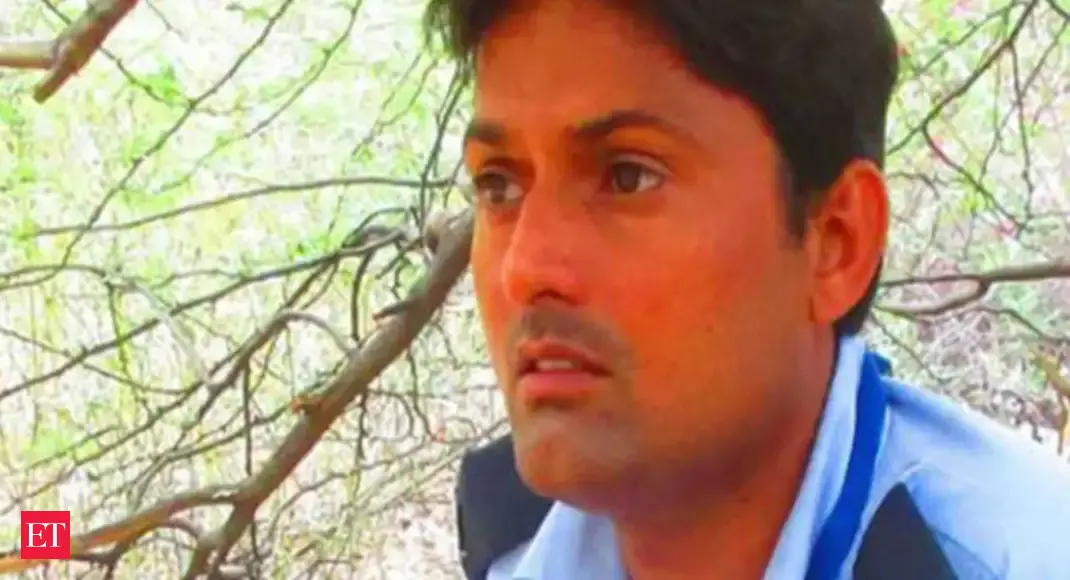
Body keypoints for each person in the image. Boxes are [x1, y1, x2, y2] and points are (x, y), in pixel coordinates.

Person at [422, 0, 1070, 578]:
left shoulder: (1017, 556)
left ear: (837, 242)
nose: (524, 268)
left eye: (626, 177)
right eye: (498, 185)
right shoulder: (507, 542)